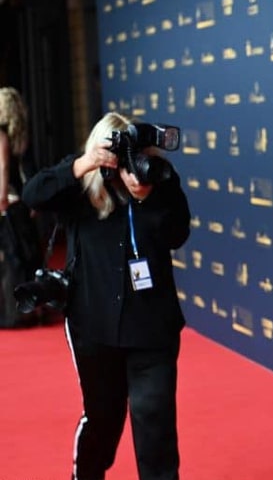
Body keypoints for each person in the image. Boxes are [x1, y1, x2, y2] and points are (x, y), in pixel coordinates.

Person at [22, 112, 191, 480]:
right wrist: (83, 164)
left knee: (156, 424)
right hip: (94, 329)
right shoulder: (80, 184)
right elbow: (32, 193)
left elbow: (178, 233)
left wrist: (147, 198)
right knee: (103, 419)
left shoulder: (158, 179)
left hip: (151, 329)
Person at [0, 86, 43, 328]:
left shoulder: (2, 135)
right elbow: (27, 170)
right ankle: (33, 308)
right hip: (23, 202)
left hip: (9, 202)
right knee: (28, 256)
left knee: (11, 260)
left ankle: (13, 312)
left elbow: (4, 168)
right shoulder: (22, 136)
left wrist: (2, 199)